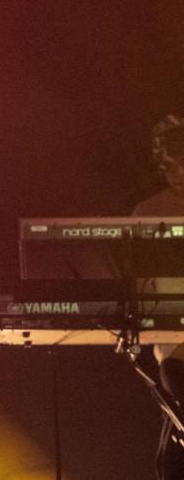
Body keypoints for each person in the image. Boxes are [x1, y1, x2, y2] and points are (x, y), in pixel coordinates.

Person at [134, 115, 184, 480]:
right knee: (173, 463)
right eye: (167, 161)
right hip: (178, 351)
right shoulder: (149, 212)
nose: (175, 168)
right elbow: (137, 292)